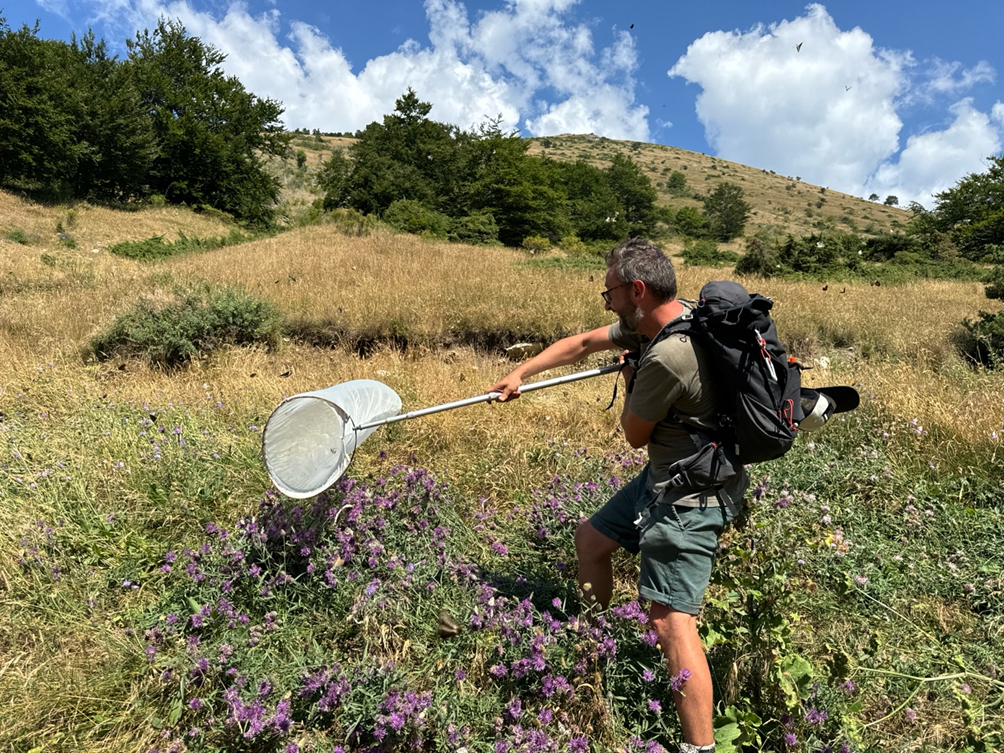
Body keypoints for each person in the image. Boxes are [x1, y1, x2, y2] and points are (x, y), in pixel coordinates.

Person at [490, 238, 746, 753]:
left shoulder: (669, 356)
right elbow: (585, 343)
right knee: (591, 538)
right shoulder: (679, 316)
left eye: (609, 291)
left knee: (671, 620)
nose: (604, 302)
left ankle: (700, 748)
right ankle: (594, 646)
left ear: (636, 289)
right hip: (667, 476)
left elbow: (634, 434)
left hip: (689, 495)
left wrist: (632, 379)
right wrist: (520, 373)